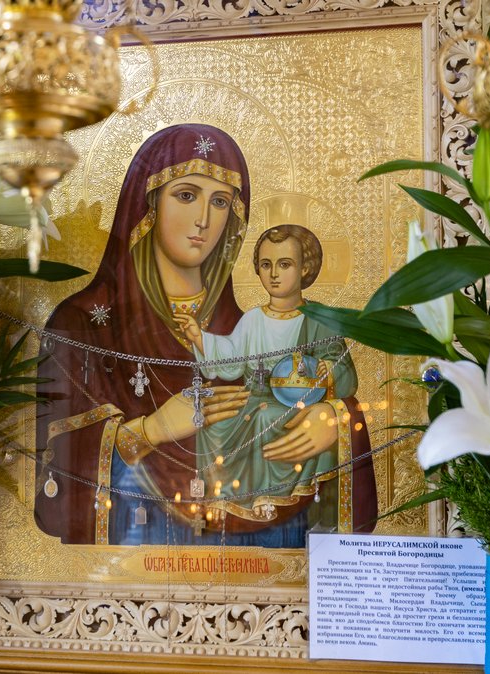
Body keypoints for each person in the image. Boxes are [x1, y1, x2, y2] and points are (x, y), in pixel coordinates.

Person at [33, 124, 377, 547]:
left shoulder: (249, 325)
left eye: (219, 202)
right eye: (186, 195)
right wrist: (151, 430)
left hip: (261, 543)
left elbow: (323, 385)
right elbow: (56, 466)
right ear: (148, 204)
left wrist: (335, 420)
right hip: (138, 547)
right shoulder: (83, 322)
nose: (203, 220)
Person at [174, 225, 357, 529]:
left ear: (305, 268)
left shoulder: (321, 319)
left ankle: (267, 494)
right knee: (213, 424)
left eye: (284, 264)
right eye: (266, 264)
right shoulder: (253, 319)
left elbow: (346, 373)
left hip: (296, 404)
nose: (274, 274)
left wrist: (328, 370)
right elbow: (231, 359)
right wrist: (199, 338)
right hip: (254, 397)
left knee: (264, 417)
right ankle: (224, 497)